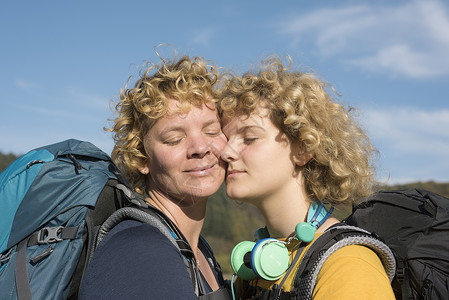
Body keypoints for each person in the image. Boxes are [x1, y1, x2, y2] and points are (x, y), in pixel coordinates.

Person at [219, 56, 395, 299]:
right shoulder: (252, 269)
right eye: (226, 139)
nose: (226, 152)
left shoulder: (348, 264)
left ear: (302, 148)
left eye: (249, 138)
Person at [79, 55, 231, 299]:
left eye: (211, 130)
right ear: (141, 159)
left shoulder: (199, 252)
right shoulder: (140, 252)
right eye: (174, 138)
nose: (200, 147)